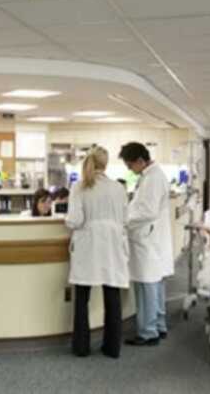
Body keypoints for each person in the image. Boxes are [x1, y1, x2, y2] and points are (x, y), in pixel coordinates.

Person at [64, 146, 129, 359]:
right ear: (106, 164)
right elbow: (124, 218)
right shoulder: (118, 188)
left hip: (88, 244)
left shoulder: (80, 187)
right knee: (112, 296)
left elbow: (75, 220)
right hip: (112, 243)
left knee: (82, 298)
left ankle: (81, 347)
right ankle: (112, 348)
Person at [118, 142, 174, 347]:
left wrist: (125, 220)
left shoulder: (153, 178)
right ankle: (158, 326)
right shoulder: (151, 176)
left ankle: (148, 332)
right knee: (154, 283)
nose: (129, 170)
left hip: (146, 239)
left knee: (146, 285)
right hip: (151, 239)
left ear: (140, 160)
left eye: (130, 165)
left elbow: (147, 211)